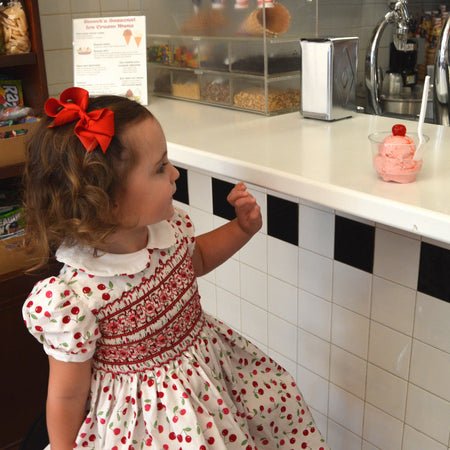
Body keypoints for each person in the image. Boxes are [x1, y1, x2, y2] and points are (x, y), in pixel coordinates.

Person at [22, 87, 329, 450]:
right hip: (146, 425)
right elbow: (66, 396)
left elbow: (195, 260)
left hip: (208, 379)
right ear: (105, 202)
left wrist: (241, 228)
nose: (174, 173)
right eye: (159, 167)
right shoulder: (75, 299)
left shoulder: (168, 232)